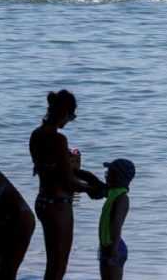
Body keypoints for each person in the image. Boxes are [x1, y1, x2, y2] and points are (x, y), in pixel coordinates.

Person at [29, 90, 105, 280]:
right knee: (58, 266)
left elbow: (56, 171)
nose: (70, 120)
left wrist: (92, 180)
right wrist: (92, 190)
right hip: (58, 204)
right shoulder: (58, 139)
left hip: (43, 201)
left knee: (53, 264)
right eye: (71, 116)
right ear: (64, 112)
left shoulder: (36, 135)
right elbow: (68, 180)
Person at [98, 159, 134, 280]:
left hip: (115, 248)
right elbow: (93, 183)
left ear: (119, 177)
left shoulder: (122, 198)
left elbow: (116, 225)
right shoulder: (112, 192)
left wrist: (113, 252)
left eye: (110, 172)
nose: (106, 175)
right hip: (107, 247)